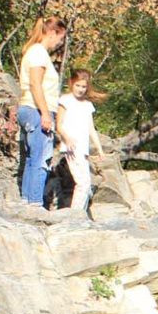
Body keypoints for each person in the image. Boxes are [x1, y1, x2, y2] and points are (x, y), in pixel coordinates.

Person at [16, 16, 67, 205]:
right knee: (41, 159)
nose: (59, 43)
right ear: (53, 33)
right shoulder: (38, 53)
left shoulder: (34, 52)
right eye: (60, 38)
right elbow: (36, 85)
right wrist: (45, 114)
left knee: (31, 158)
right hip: (36, 111)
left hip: (30, 109)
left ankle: (27, 200)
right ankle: (35, 203)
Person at [55, 69, 105, 211]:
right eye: (78, 85)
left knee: (85, 183)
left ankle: (78, 212)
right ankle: (76, 214)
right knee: (83, 183)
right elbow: (58, 124)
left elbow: (91, 129)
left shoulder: (87, 105)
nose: (80, 89)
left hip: (82, 148)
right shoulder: (65, 100)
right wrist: (66, 138)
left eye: (83, 87)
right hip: (71, 147)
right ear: (72, 83)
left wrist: (100, 149)